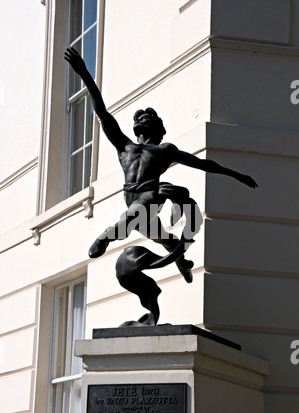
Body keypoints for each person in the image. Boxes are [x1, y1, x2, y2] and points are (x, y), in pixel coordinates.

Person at [64, 47, 258, 289]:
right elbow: (101, 111)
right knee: (165, 239)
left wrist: (236, 174)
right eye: (141, 118)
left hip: (149, 196)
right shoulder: (124, 146)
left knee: (135, 212)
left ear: (159, 129)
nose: (144, 118)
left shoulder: (164, 150)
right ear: (135, 127)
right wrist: (83, 73)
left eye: (150, 118)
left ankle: (105, 237)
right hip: (132, 198)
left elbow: (202, 163)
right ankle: (182, 263)